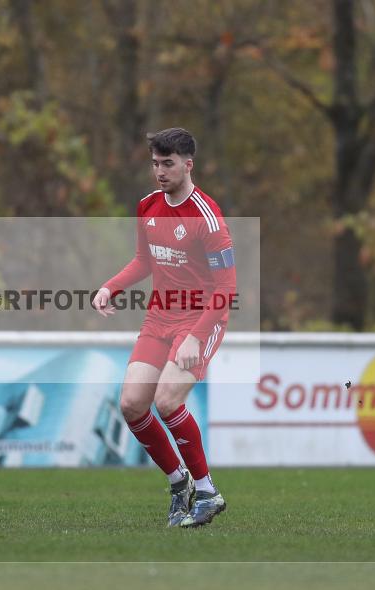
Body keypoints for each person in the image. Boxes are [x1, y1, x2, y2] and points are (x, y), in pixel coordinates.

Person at [92, 128, 236, 527]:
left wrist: (195, 335)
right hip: (159, 317)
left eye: (168, 163)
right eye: (155, 163)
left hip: (200, 318)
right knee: (132, 404)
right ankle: (179, 484)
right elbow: (144, 260)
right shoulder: (148, 206)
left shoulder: (208, 217)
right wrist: (112, 286)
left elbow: (226, 289)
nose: (160, 171)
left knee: (168, 400)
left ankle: (208, 492)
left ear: (188, 165)